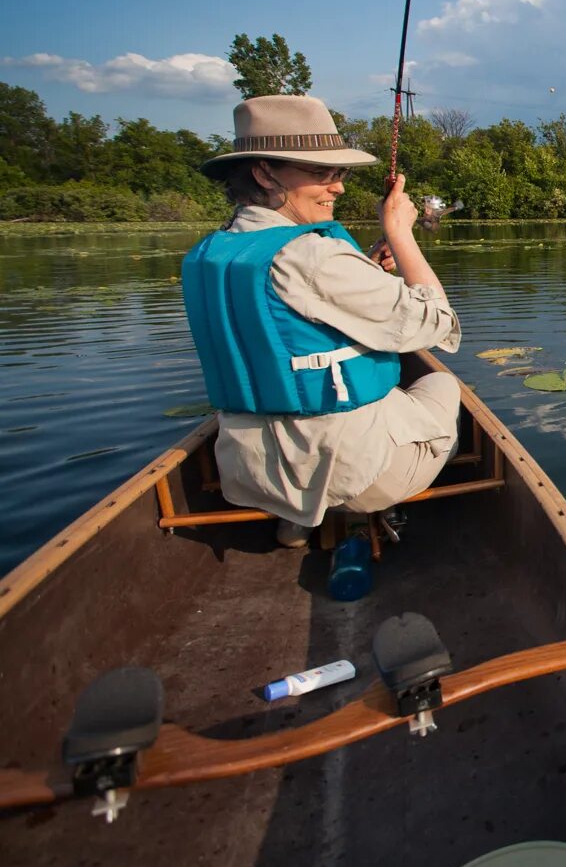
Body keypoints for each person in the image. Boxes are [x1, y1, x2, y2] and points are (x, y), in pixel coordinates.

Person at [182, 95, 462, 547]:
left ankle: (295, 518)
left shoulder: (212, 253)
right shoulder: (314, 256)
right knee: (442, 385)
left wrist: (366, 265)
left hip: (251, 475)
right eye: (321, 173)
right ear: (264, 172)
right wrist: (400, 233)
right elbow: (438, 324)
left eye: (339, 174)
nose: (339, 188)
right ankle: (362, 506)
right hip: (355, 476)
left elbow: (282, 322)